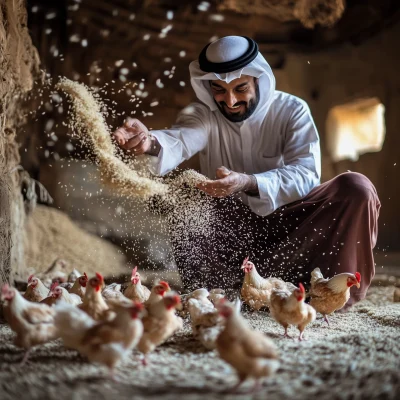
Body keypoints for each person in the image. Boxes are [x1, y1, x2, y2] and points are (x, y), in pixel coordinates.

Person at [113, 36, 380, 305]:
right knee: (186, 191)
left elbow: (305, 174)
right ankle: (219, 294)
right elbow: (180, 138)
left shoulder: (292, 110)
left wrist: (249, 182)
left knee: (356, 189)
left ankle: (327, 295)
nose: (229, 101)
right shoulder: (203, 115)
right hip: (232, 235)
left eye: (240, 88)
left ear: (258, 79)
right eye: (219, 90)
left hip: (293, 229)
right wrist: (150, 142)